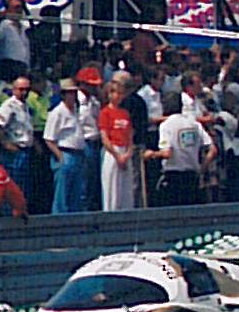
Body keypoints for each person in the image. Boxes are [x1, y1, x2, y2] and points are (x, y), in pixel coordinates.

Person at [42, 77, 96, 213]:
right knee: (62, 194)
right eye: (69, 93)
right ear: (63, 95)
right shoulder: (57, 113)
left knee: (78, 193)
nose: (72, 95)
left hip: (79, 153)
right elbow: (49, 138)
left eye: (74, 92)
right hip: (65, 152)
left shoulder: (77, 110)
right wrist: (60, 157)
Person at [147, 100, 214, 206]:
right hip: (193, 176)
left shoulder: (166, 125)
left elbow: (167, 153)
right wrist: (202, 168)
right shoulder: (194, 124)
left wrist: (151, 154)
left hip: (173, 178)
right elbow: (213, 150)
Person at [98, 75, 141, 211]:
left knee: (126, 190)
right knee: (112, 189)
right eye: (115, 93)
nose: (118, 96)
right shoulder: (105, 112)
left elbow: (130, 135)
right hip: (113, 152)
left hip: (125, 151)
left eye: (121, 93)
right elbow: (105, 138)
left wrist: (128, 153)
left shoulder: (125, 113)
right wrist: (117, 156)